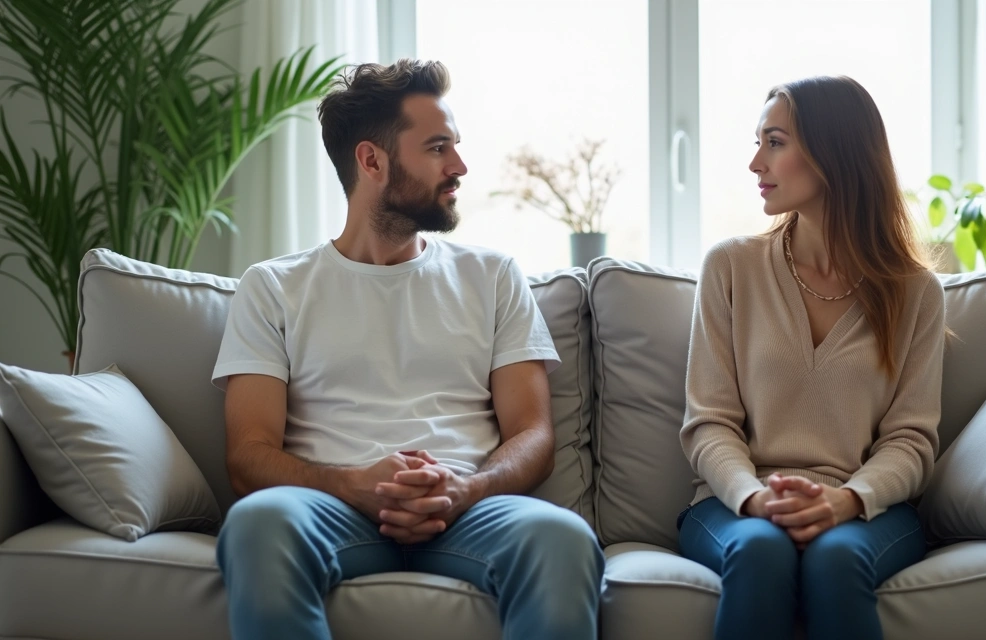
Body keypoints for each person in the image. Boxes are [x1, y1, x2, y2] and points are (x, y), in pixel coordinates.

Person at [211, 59, 604, 640]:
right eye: (438, 148)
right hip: (331, 510)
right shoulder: (273, 287)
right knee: (255, 524)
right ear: (371, 160)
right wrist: (350, 484)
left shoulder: (493, 276)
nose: (460, 167)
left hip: (469, 510)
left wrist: (467, 488)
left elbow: (534, 434)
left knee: (564, 537)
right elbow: (248, 454)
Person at [678, 75, 946, 640]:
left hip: (861, 509)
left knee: (835, 558)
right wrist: (754, 499)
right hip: (737, 506)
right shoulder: (730, 268)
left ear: (834, 153)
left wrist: (849, 500)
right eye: (758, 142)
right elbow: (709, 423)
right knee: (759, 552)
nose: (756, 163)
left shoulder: (916, 292)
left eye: (774, 142)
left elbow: (912, 439)